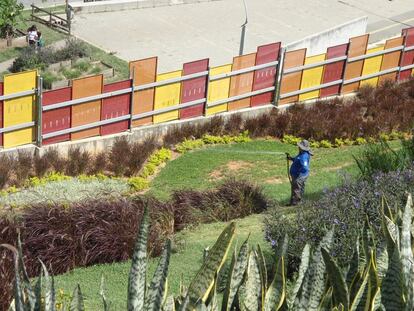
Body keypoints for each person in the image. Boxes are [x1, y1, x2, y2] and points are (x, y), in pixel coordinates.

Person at [286, 139, 313, 206]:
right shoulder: (301, 154)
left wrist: (299, 174)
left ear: (302, 148)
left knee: (297, 188)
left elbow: (305, 166)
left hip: (300, 175)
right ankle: (293, 203)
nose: (298, 147)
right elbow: (296, 159)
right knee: (295, 188)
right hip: (298, 175)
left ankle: (296, 204)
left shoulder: (304, 156)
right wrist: (290, 158)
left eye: (300, 147)